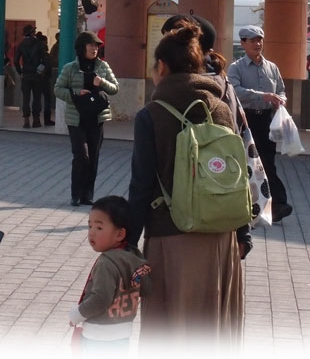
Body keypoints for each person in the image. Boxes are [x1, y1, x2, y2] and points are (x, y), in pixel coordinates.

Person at [127, 26, 251, 344]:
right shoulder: (221, 108)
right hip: (221, 237)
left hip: (171, 237)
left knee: (169, 332)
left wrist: (127, 243)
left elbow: (141, 185)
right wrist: (243, 233)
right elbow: (239, 173)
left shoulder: (151, 115)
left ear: (162, 66)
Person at [228, 25, 293, 223]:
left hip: (266, 120)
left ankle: (278, 205)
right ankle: (244, 205)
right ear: (243, 43)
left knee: (267, 163)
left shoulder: (272, 67)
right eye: (252, 40)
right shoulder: (236, 67)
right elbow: (234, 91)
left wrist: (281, 99)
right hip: (245, 120)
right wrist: (263, 96)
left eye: (259, 40)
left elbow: (281, 89)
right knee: (246, 163)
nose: (257, 44)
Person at [68, 195, 151, 351]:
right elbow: (146, 288)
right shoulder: (134, 257)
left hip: (98, 337)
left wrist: (77, 314)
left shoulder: (106, 263)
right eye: (90, 226)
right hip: (122, 334)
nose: (92, 233)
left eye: (99, 228)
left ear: (120, 234)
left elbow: (100, 299)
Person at [54, 31, 119, 207]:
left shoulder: (103, 67)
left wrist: (102, 82)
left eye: (97, 46)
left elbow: (115, 88)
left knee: (94, 158)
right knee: (81, 156)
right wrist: (76, 93)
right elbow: (58, 89)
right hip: (76, 119)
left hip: (96, 118)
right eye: (91, 45)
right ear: (82, 47)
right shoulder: (70, 68)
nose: (94, 49)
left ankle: (88, 194)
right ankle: (75, 194)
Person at [14, 24, 46, 128]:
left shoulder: (21, 45)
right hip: (37, 75)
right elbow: (45, 60)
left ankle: (26, 120)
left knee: (26, 98)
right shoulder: (39, 44)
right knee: (37, 98)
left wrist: (20, 72)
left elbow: (16, 61)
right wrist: (40, 70)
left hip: (26, 74)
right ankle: (36, 120)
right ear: (32, 33)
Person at [36, 33, 56, 125]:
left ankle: (36, 119)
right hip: (45, 79)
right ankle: (46, 119)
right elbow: (48, 65)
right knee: (47, 99)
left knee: (37, 99)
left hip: (37, 79)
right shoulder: (45, 54)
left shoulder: (35, 53)